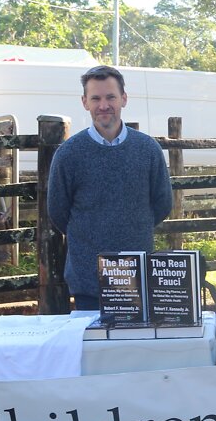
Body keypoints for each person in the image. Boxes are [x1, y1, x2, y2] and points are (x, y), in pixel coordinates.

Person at [47, 65, 173, 310]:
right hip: (88, 280)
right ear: (85, 102)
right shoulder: (68, 154)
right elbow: (58, 213)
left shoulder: (148, 150)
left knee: (137, 347)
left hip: (138, 277)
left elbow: (162, 204)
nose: (103, 105)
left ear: (124, 99)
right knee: (93, 348)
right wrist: (93, 236)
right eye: (96, 98)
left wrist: (131, 230)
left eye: (110, 97)